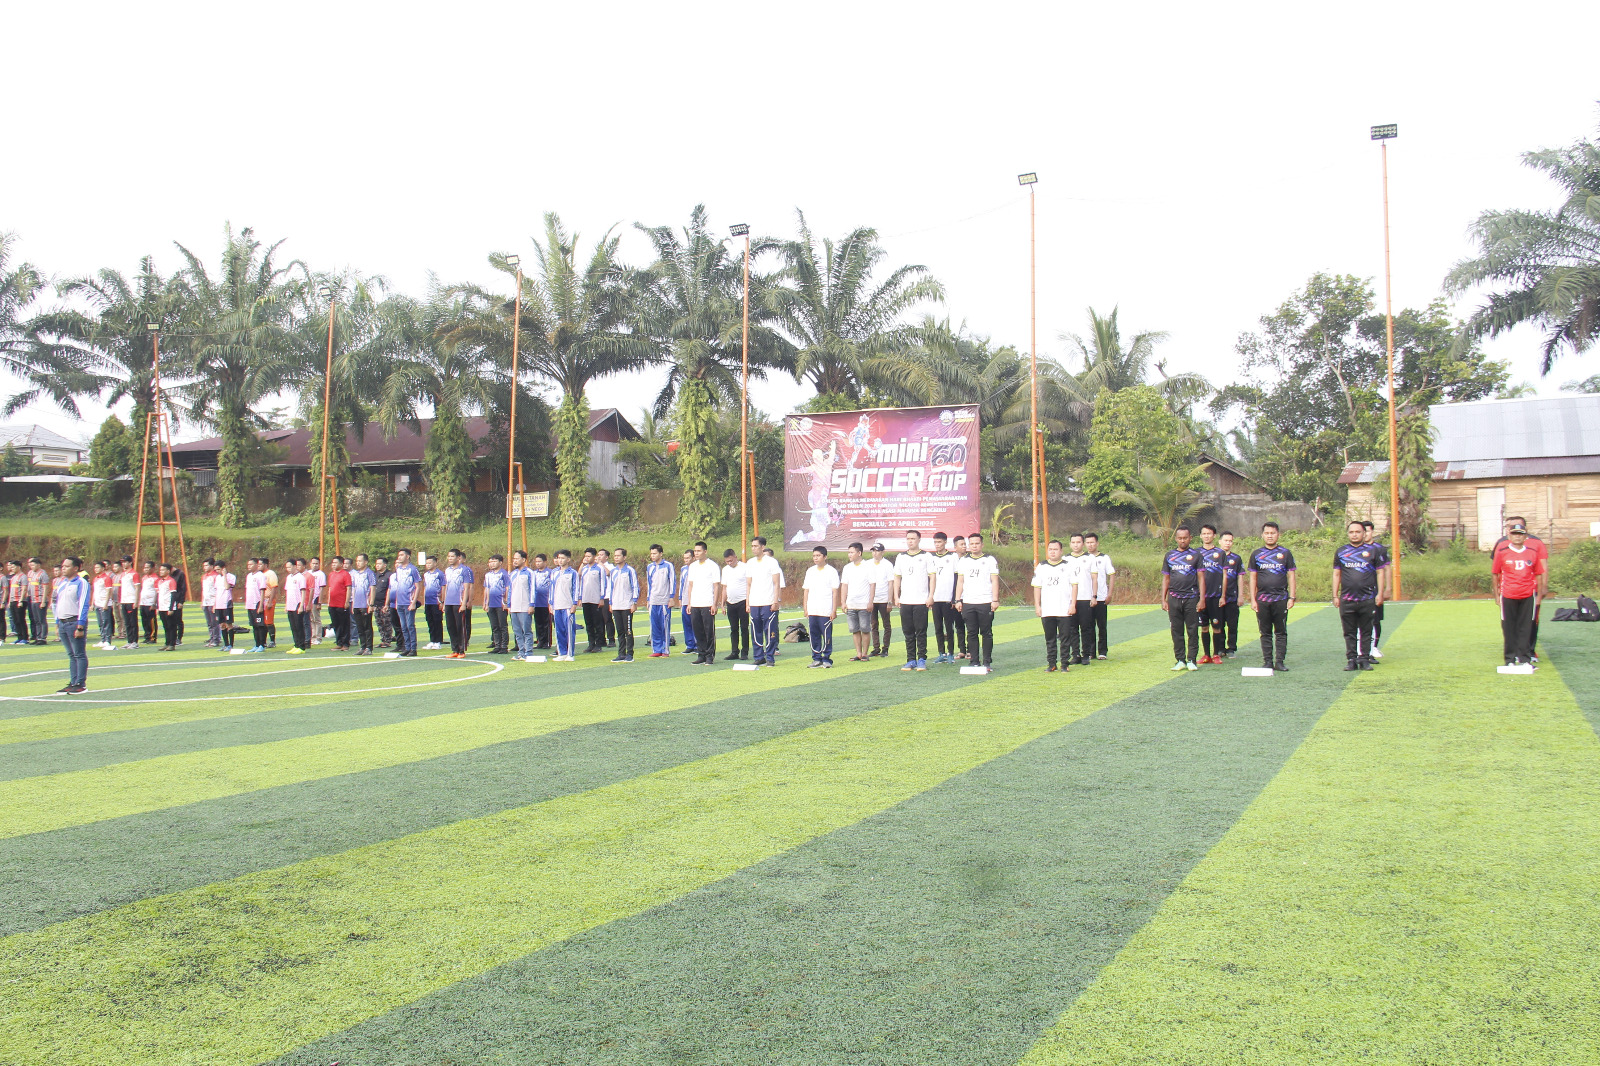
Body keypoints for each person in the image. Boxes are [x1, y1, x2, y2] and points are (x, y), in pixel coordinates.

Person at [1493, 515, 1548, 664]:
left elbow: (1540, 572)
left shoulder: (1533, 550)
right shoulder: (1502, 550)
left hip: (1528, 594)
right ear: (1509, 535)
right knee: (1509, 626)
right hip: (1509, 593)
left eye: (1520, 534)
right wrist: (1497, 595)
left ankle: (1526, 657)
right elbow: (1495, 573)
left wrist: (1540, 593)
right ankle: (1510, 658)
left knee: (1527, 626)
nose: (1517, 537)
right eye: (1514, 533)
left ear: (1526, 535)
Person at [1332, 520, 1383, 671]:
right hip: (1347, 599)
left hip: (1367, 598)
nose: (1354, 535)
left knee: (1366, 630)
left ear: (1364, 533)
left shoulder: (1373, 551)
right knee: (1349, 632)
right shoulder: (1341, 552)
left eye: (1358, 532)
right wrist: (1335, 595)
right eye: (1351, 532)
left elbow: (1380, 572)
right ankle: (1351, 659)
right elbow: (1336, 574)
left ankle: (1365, 659)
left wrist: (1380, 593)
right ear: (1348, 534)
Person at [1160, 526, 1204, 671]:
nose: (1183, 540)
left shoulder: (1196, 555)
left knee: (1192, 630)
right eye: (1180, 538)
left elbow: (1201, 578)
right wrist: (1163, 599)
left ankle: (1192, 659)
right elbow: (1166, 578)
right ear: (1176, 539)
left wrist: (1202, 598)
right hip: (1174, 597)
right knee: (1176, 630)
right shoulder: (1169, 556)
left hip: (1191, 597)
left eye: (1185, 538)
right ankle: (1180, 660)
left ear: (1190, 538)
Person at [954, 533, 1000, 671]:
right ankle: (974, 661)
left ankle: (987, 662)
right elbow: (960, 582)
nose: (974, 546)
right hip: (968, 602)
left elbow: (994, 581)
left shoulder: (990, 560)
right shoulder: (963, 561)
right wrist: (958, 599)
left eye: (977, 543)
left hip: (985, 601)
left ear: (982, 544)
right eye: (972, 543)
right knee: (971, 633)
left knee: (986, 633)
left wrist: (995, 599)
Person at [1032, 538, 1076, 672]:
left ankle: (1064, 664)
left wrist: (1073, 604)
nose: (1052, 552)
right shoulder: (1042, 567)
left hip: (1064, 609)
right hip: (1047, 609)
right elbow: (1037, 587)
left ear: (1061, 551)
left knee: (1065, 638)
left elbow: (1074, 586)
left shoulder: (1068, 566)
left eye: (1055, 549)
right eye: (1050, 549)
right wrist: (1037, 606)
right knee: (1049, 638)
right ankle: (1051, 663)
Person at [893, 529, 934, 671]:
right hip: (905, 600)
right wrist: (896, 596)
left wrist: (930, 596)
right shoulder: (901, 557)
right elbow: (897, 577)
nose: (910, 541)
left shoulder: (926, 556)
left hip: (921, 600)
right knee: (908, 631)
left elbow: (932, 577)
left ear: (919, 540)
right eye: (908, 538)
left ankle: (922, 658)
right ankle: (911, 659)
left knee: (921, 631)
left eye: (913, 539)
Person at [53, 556, 90, 693]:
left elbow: (83, 604)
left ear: (75, 568)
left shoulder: (81, 583)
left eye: (67, 566)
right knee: (71, 654)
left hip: (74, 621)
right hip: (63, 622)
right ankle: (73, 681)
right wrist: (57, 622)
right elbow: (58, 603)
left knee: (79, 653)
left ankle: (80, 683)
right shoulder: (62, 583)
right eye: (63, 566)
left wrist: (80, 625)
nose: (63, 568)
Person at [683, 541, 721, 666]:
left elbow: (716, 586)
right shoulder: (693, 566)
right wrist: (689, 603)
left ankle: (710, 655)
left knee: (708, 630)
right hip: (695, 603)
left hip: (707, 603)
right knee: (697, 630)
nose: (696, 553)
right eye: (695, 551)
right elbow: (691, 585)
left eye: (699, 551)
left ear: (705, 551)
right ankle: (701, 654)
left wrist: (714, 603)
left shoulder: (712, 566)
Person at [746, 536, 782, 668]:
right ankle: (758, 657)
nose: (753, 549)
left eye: (756, 546)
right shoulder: (750, 563)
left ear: (762, 547)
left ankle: (770, 657)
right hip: (754, 602)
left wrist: (775, 601)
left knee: (770, 630)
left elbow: (776, 583)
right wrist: (748, 602)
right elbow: (748, 584)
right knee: (756, 630)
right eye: (752, 546)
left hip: (768, 602)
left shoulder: (771, 562)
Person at [802, 546, 839, 668]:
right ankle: (816, 658)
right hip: (813, 608)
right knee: (814, 634)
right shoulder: (810, 571)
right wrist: (805, 607)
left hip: (825, 609)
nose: (815, 558)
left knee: (827, 635)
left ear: (825, 557)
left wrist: (834, 609)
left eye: (818, 556)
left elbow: (834, 592)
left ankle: (826, 658)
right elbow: (806, 590)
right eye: (814, 556)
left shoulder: (831, 571)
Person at [839, 543, 876, 663]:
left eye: (852, 552)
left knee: (865, 629)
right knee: (854, 629)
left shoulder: (868, 566)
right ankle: (858, 653)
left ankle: (865, 653)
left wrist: (871, 601)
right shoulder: (847, 568)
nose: (849, 554)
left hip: (864, 604)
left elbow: (872, 585)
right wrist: (843, 602)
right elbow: (844, 585)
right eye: (848, 552)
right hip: (851, 604)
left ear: (859, 553)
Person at [1196, 524, 1227, 664]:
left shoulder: (1220, 553)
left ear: (1214, 535)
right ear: (1201, 536)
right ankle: (1206, 654)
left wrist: (1223, 595)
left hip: (1215, 596)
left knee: (1217, 626)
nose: (1207, 536)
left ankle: (1216, 654)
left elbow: (1225, 575)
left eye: (1209, 533)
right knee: (1203, 626)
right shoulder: (1196, 553)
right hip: (1201, 597)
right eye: (1204, 533)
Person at [929, 532, 962, 664]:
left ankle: (950, 653)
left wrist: (954, 598)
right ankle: (941, 652)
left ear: (945, 542)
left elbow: (956, 577)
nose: (937, 545)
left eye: (939, 542)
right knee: (938, 627)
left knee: (949, 627)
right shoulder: (931, 558)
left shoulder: (953, 557)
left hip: (948, 598)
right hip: (935, 598)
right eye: (935, 542)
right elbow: (929, 578)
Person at [1360, 519, 1391, 661]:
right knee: (1360, 620)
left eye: (1368, 531)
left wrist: (1388, 588)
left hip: (1375, 590)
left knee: (1375, 620)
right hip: (1360, 592)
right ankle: (1362, 649)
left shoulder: (1379, 549)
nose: (1365, 534)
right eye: (1363, 531)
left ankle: (1374, 647)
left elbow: (1387, 569)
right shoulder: (1355, 550)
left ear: (1372, 532)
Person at [1065, 533, 1095, 666]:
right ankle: (1075, 654)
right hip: (1071, 599)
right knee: (1072, 628)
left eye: (1078, 542)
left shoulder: (1090, 558)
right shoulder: (1065, 559)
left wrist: (1094, 596)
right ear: (1070, 544)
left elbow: (1094, 578)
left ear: (1083, 544)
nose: (1076, 545)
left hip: (1085, 597)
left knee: (1086, 627)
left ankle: (1086, 654)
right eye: (1073, 542)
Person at [644, 544, 676, 658]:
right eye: (651, 553)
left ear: (661, 554)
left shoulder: (668, 566)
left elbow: (672, 581)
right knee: (654, 626)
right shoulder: (650, 567)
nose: (652, 556)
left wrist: (671, 597)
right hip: (653, 600)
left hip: (664, 600)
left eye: (655, 553)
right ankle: (656, 649)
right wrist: (648, 599)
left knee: (664, 626)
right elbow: (649, 583)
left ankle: (665, 650)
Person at [607, 547, 639, 663]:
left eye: (618, 555)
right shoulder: (613, 572)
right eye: (615, 556)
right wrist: (610, 603)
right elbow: (611, 588)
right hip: (616, 605)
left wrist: (634, 602)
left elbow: (635, 586)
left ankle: (629, 654)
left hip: (627, 605)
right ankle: (621, 654)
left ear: (624, 557)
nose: (616, 558)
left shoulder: (630, 570)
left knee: (628, 631)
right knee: (619, 631)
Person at [442, 548, 474, 658]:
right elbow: (446, 587)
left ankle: (461, 650)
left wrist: (464, 603)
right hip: (449, 602)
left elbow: (466, 587)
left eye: (452, 556)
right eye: (449, 556)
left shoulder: (464, 570)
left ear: (458, 557)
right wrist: (444, 602)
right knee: (450, 626)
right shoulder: (447, 570)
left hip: (458, 602)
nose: (450, 558)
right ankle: (454, 649)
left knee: (460, 626)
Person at [390, 549, 422, 657]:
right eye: (399, 555)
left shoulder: (413, 569)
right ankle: (407, 647)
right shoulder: (399, 569)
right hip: (400, 602)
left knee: (410, 626)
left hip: (409, 601)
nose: (399, 557)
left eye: (402, 555)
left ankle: (413, 648)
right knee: (403, 626)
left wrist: (413, 602)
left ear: (407, 556)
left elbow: (418, 586)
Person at [549, 549, 579, 661]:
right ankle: (561, 652)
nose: (560, 560)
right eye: (558, 558)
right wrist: (550, 603)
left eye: (562, 558)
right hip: (557, 605)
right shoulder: (554, 572)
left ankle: (570, 654)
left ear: (568, 559)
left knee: (569, 630)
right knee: (559, 629)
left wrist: (574, 603)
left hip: (567, 605)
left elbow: (576, 589)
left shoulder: (573, 573)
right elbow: (551, 588)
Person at [720, 549, 750, 660]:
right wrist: (722, 604)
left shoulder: (744, 567)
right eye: (727, 561)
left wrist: (748, 602)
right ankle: (734, 651)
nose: (729, 563)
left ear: (735, 557)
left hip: (742, 601)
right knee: (733, 629)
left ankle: (745, 651)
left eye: (731, 561)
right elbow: (724, 588)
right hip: (730, 602)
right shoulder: (725, 570)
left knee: (744, 628)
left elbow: (749, 585)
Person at [1218, 532, 1243, 659]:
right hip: (1217, 597)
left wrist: (1240, 596)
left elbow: (1240, 577)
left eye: (1230, 541)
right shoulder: (1215, 557)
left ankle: (1231, 648)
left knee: (1232, 624)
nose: (1228, 543)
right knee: (1219, 624)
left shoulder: (1236, 559)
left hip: (1232, 597)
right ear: (1220, 541)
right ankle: (1220, 648)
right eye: (1226, 540)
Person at [578, 549, 607, 654]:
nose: (587, 558)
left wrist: (601, 598)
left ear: (594, 557)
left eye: (589, 556)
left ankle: (599, 644)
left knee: (597, 623)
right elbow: (580, 582)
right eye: (585, 556)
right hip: (586, 599)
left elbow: (603, 583)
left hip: (596, 600)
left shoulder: (599, 568)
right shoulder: (585, 569)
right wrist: (580, 597)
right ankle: (591, 643)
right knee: (588, 623)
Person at [868, 542, 894, 658]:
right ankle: (876, 648)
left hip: (883, 598)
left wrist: (889, 600)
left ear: (882, 552)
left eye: (877, 551)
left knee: (886, 624)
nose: (875, 553)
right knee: (873, 624)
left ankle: (886, 648)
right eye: (873, 551)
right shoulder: (868, 564)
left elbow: (890, 583)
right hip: (872, 599)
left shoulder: (887, 565)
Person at [507, 550, 534, 661]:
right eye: (514, 559)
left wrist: (531, 604)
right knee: (517, 632)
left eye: (517, 559)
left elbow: (533, 589)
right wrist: (509, 605)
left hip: (525, 606)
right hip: (514, 607)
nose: (515, 561)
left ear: (523, 560)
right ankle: (521, 652)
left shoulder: (529, 573)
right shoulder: (512, 574)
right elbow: (510, 591)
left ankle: (528, 652)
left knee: (526, 630)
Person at [348, 554, 376, 655]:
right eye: (357, 561)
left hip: (366, 604)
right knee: (359, 627)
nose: (358, 563)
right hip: (357, 604)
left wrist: (371, 604)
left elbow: (372, 588)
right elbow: (354, 589)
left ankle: (369, 648)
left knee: (367, 626)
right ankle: (362, 646)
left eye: (360, 561)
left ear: (365, 562)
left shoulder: (369, 573)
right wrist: (353, 603)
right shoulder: (356, 574)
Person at [483, 554, 509, 655]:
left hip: (501, 603)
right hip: (491, 604)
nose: (491, 564)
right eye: (490, 562)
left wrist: (506, 602)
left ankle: (504, 646)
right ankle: (497, 645)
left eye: (494, 561)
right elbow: (487, 589)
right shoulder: (488, 575)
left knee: (502, 625)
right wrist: (486, 602)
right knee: (494, 626)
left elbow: (507, 588)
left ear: (500, 563)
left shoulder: (504, 574)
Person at [284, 559, 309, 654]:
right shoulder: (288, 577)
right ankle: (296, 644)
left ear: (295, 566)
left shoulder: (300, 577)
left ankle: (302, 646)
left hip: (297, 604)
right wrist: (286, 605)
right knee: (293, 626)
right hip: (290, 605)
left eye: (289, 567)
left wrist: (302, 605)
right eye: (287, 567)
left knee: (299, 626)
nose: (288, 569)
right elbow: (287, 592)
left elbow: (303, 591)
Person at [326, 557, 351, 651]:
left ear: (341, 564)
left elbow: (348, 588)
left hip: (341, 603)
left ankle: (345, 643)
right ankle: (339, 642)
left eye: (335, 562)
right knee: (336, 624)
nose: (333, 564)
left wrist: (347, 601)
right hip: (332, 604)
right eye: (333, 562)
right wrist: (328, 601)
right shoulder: (331, 574)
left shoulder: (345, 574)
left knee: (344, 624)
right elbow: (330, 588)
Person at [212, 558, 237, 652]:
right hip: (218, 604)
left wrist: (225, 575)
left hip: (227, 603)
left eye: (218, 569)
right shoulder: (217, 578)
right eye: (216, 570)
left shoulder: (231, 577)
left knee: (228, 624)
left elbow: (227, 587)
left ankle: (231, 644)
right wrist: (214, 605)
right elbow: (217, 591)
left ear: (223, 568)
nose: (217, 571)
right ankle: (225, 644)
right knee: (221, 624)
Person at [92, 560, 116, 650]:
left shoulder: (106, 578)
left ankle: (107, 640)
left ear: (103, 568)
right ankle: (102, 639)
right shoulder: (96, 578)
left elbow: (109, 591)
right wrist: (92, 603)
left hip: (104, 603)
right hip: (97, 603)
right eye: (95, 568)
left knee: (106, 622)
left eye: (98, 567)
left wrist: (106, 603)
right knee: (100, 622)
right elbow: (95, 591)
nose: (96, 569)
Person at [678, 549, 698, 656]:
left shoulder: (697, 569)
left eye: (688, 558)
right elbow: (682, 584)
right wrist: (680, 598)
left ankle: (697, 645)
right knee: (686, 623)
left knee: (695, 623)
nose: (686, 560)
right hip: (685, 599)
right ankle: (689, 645)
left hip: (694, 600)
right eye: (684, 558)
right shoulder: (683, 569)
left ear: (693, 558)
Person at [372, 556, 394, 649]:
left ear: (385, 565)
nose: (377, 565)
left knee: (386, 622)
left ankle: (387, 640)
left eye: (379, 564)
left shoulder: (389, 575)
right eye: (376, 564)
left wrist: (386, 604)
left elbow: (390, 589)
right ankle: (383, 639)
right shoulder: (374, 575)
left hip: (384, 603)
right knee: (379, 623)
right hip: (376, 603)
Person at [532, 553, 553, 649]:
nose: (537, 563)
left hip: (546, 601)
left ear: (545, 562)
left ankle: (547, 642)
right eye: (536, 562)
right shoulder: (534, 573)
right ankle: (540, 640)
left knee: (546, 623)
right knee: (538, 622)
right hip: (536, 602)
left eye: (539, 561)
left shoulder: (550, 572)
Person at [597, 547, 617, 648]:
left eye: (601, 555)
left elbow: (609, 573)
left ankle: (611, 639)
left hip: (607, 596)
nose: (599, 556)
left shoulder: (610, 566)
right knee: (598, 619)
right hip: (597, 596)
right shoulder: (595, 567)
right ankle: (601, 640)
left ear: (607, 557)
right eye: (598, 555)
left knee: (607, 618)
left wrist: (601, 564)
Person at [118, 555, 139, 650]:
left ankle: (135, 642)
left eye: (125, 562)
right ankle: (129, 641)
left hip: (131, 601)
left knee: (133, 622)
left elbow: (137, 588)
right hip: (124, 601)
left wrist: (136, 601)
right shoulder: (123, 574)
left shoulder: (134, 574)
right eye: (122, 562)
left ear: (130, 562)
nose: (124, 564)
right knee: (127, 622)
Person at [28, 558, 50, 645]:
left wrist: (43, 601)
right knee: (36, 619)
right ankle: (38, 637)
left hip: (40, 599)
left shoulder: (43, 574)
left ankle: (43, 638)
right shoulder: (31, 573)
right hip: (33, 599)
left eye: (33, 565)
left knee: (42, 620)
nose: (31, 566)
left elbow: (45, 588)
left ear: (38, 565)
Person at [138, 560, 159, 644]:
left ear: (153, 568)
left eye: (147, 567)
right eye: (144, 567)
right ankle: (147, 636)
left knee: (151, 620)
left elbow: (157, 591)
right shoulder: (144, 578)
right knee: (144, 620)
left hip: (150, 602)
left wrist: (154, 603)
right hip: (143, 602)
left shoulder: (155, 578)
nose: (145, 569)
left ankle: (153, 637)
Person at [199, 559, 218, 648]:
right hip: (206, 602)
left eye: (206, 565)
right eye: (204, 566)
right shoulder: (204, 576)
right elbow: (204, 590)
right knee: (209, 622)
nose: (204, 568)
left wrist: (215, 603)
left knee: (214, 622)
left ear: (211, 566)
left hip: (213, 601)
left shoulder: (215, 576)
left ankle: (216, 639)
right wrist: (202, 601)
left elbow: (217, 590)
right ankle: (211, 638)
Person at [308, 556, 327, 645]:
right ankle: (312, 637)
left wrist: (320, 602)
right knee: (311, 619)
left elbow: (322, 589)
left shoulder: (321, 574)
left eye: (316, 564)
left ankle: (318, 638)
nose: (315, 565)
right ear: (310, 564)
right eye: (313, 563)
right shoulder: (308, 573)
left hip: (315, 598)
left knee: (316, 619)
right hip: (308, 600)